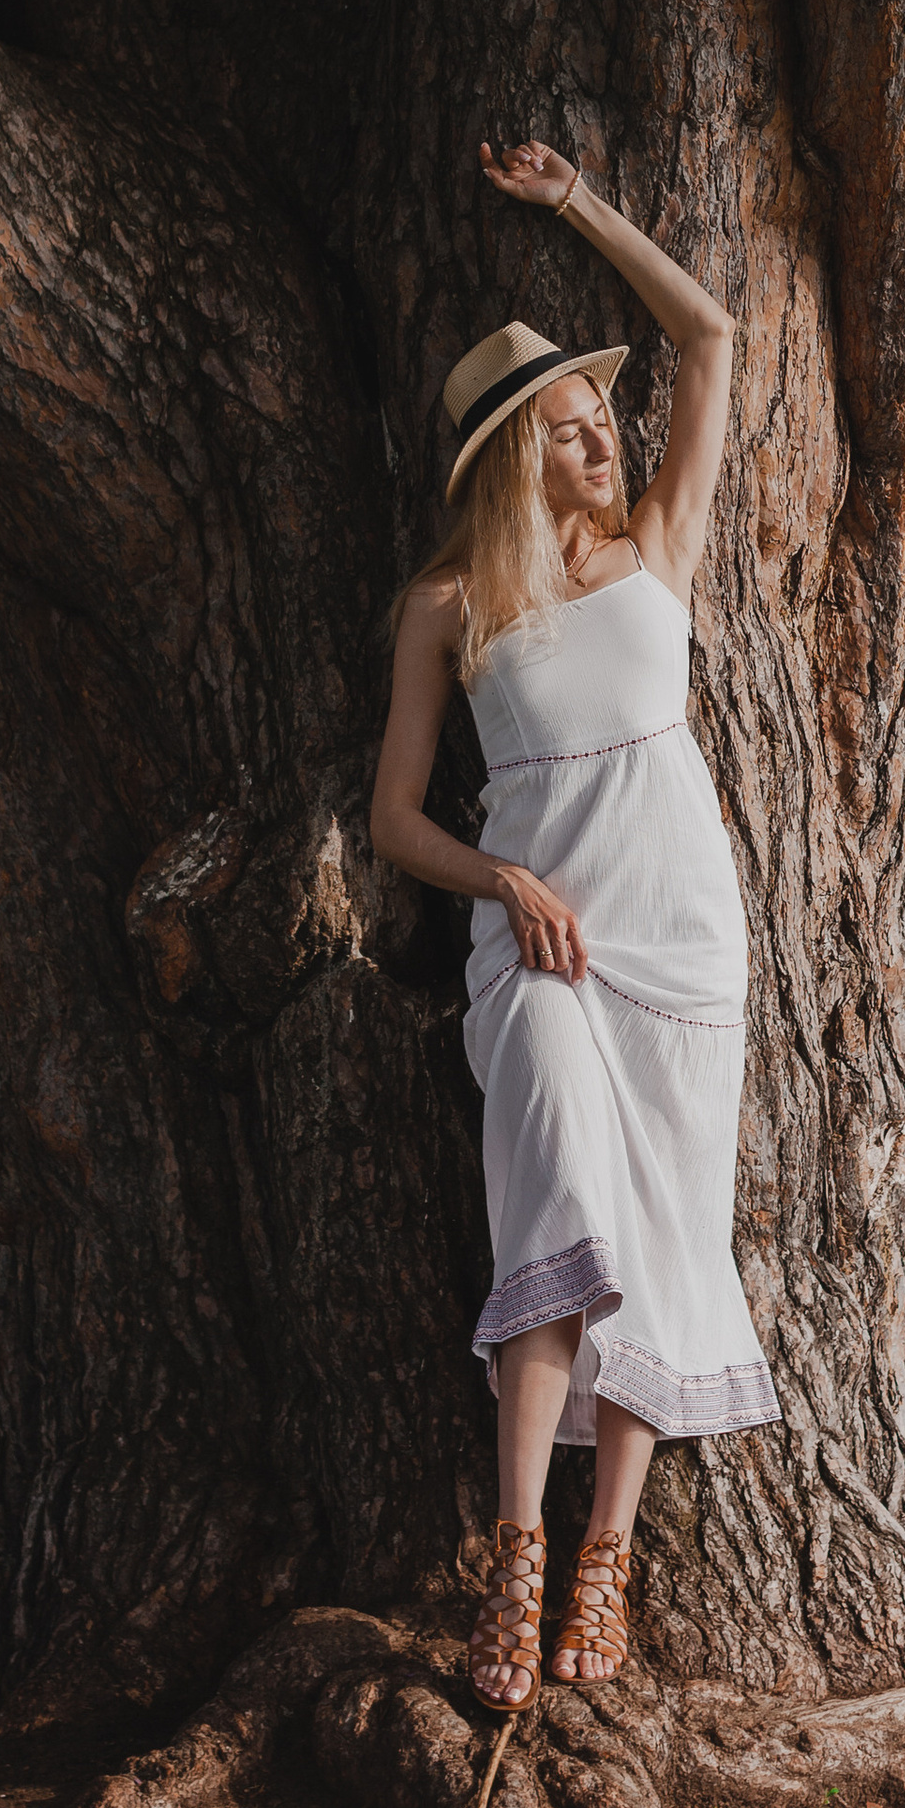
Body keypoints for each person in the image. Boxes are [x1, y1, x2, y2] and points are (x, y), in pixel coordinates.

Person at [369, 139, 779, 1716]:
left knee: (667, 1234)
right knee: (554, 1215)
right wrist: (505, 886)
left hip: (682, 942)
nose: (596, 432)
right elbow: (400, 819)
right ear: (508, 462)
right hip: (536, 951)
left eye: (596, 409)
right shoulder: (450, 609)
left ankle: (605, 1565)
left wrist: (576, 209)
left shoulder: (657, 550)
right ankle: (517, 1553)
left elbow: (716, 339)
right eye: (561, 424)